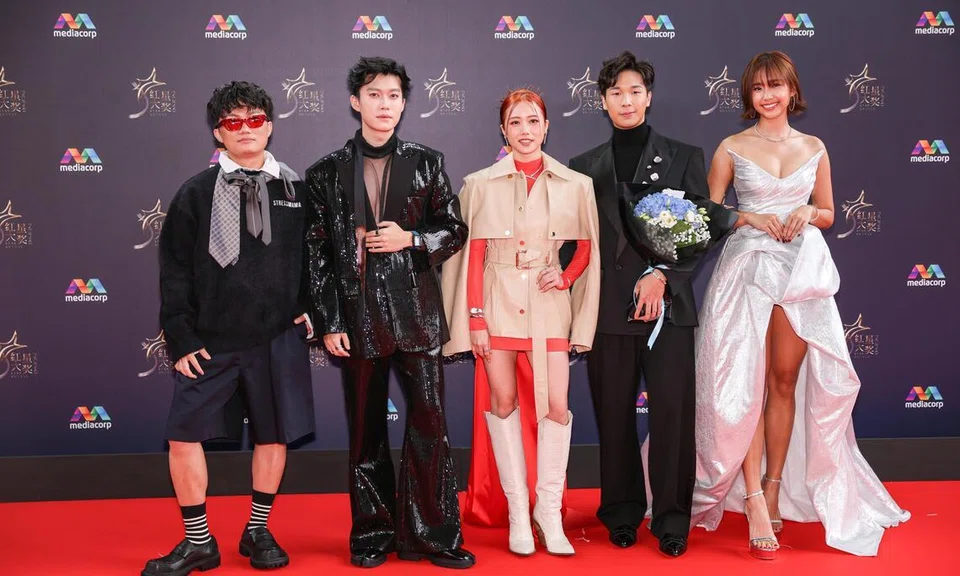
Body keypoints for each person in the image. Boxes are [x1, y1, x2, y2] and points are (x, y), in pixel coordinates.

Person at [691, 50, 910, 558]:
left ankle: (772, 486)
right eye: (758, 87)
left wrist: (808, 210)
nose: (768, 95)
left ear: (792, 91)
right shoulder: (731, 146)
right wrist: (750, 217)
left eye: (776, 86)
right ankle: (750, 500)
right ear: (748, 95)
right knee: (743, 384)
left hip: (799, 271)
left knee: (784, 381)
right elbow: (708, 213)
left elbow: (831, 213)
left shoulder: (815, 147)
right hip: (746, 271)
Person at [303, 56, 474, 570]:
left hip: (417, 314)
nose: (385, 104)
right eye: (374, 94)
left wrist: (413, 238)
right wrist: (330, 320)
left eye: (394, 95)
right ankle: (373, 536)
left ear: (404, 102)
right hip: (356, 321)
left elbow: (454, 227)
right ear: (356, 101)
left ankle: (433, 536)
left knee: (430, 426)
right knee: (364, 434)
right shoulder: (325, 172)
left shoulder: (427, 160)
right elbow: (316, 255)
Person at [144, 81, 315, 576]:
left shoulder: (294, 189)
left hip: (277, 337)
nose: (246, 130)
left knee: (274, 435)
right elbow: (174, 271)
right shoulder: (195, 193)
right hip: (210, 340)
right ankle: (198, 541)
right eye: (234, 123)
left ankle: (257, 529)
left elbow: (313, 259)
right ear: (219, 132)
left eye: (255, 120)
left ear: (270, 125)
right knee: (182, 436)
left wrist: (309, 306)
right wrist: (180, 336)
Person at [441, 89, 600, 556]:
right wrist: (474, 318)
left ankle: (548, 513)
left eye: (533, 121)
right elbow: (472, 257)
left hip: (550, 305)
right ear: (503, 130)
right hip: (497, 300)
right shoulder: (480, 183)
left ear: (547, 127)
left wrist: (565, 274)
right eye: (516, 122)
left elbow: (586, 245)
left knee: (555, 405)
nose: (525, 131)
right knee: (504, 402)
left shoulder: (575, 183)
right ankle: (516, 513)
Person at [567, 51, 706, 558]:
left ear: (649, 96)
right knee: (614, 416)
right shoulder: (583, 168)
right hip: (606, 311)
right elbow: (575, 244)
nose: (626, 101)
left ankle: (672, 519)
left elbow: (699, 230)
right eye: (616, 93)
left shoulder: (686, 155)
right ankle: (621, 512)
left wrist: (662, 276)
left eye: (635, 91)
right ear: (603, 101)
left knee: (672, 415)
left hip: (668, 310)